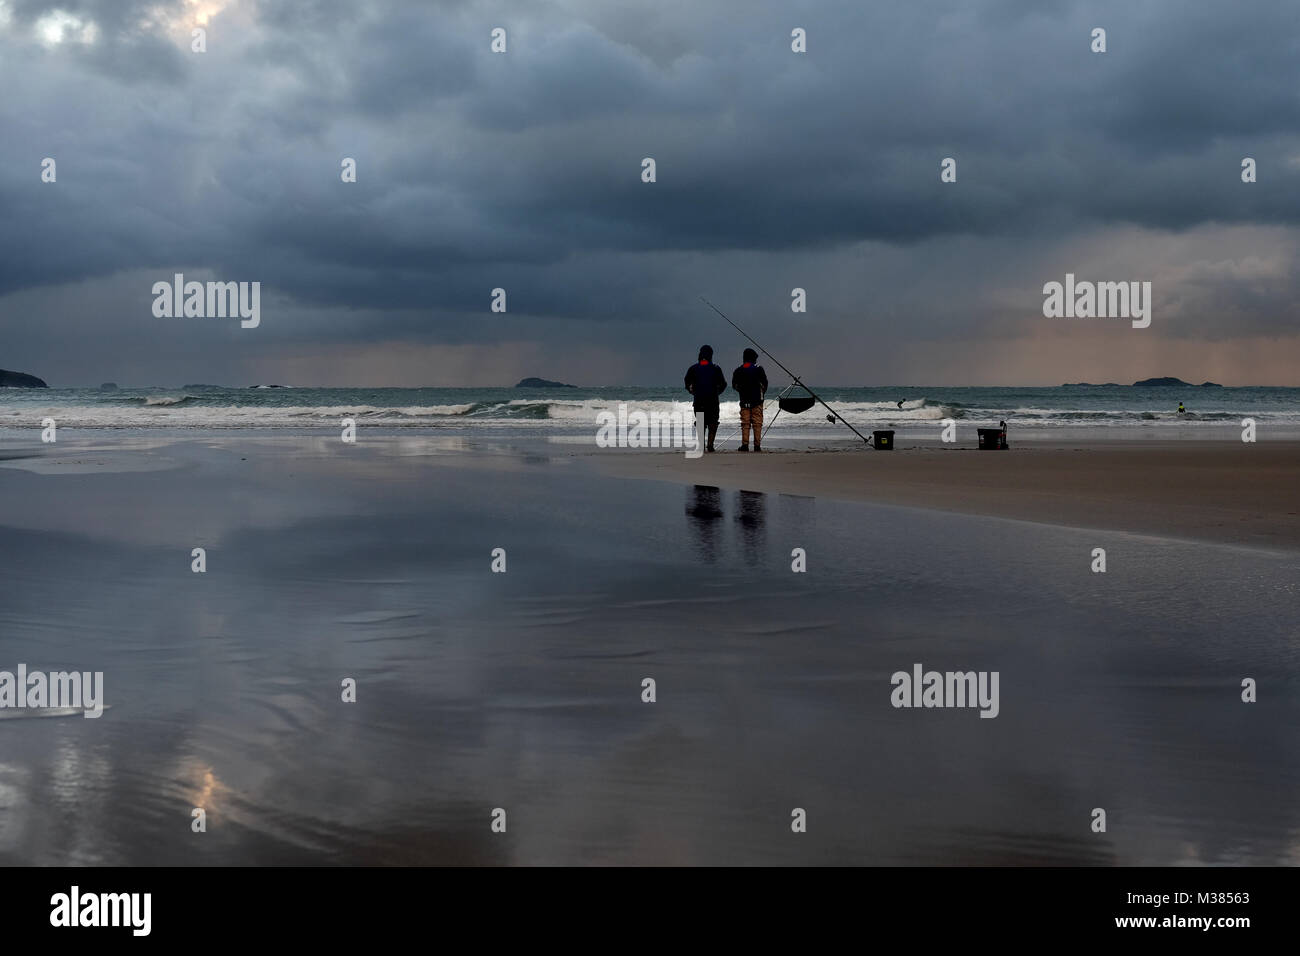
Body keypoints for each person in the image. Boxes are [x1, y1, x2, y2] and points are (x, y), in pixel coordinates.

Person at [685, 344, 727, 453]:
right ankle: (710, 445)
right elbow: (723, 384)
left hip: (698, 401)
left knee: (700, 423)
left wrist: (692, 392)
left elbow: (686, 382)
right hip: (713, 401)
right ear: (711, 355)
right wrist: (717, 393)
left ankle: (701, 446)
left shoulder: (693, 368)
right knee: (713, 422)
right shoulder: (716, 368)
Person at [731, 347, 769, 452]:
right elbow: (765, 383)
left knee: (745, 423)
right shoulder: (759, 369)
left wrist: (741, 391)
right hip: (757, 401)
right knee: (757, 423)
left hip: (744, 401)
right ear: (753, 358)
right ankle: (757, 446)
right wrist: (762, 393)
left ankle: (745, 445)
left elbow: (734, 385)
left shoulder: (738, 370)